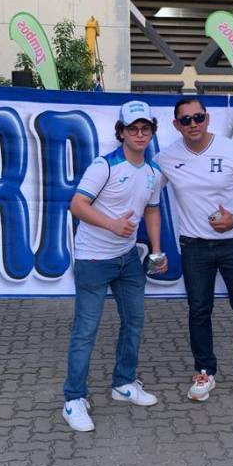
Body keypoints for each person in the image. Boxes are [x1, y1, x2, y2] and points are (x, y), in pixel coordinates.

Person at [62, 99, 167, 432]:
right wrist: (111, 224)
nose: (139, 134)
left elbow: (152, 210)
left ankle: (123, 384)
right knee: (86, 331)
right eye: (133, 129)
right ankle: (73, 399)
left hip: (128, 260)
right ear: (121, 132)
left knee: (134, 323)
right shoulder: (103, 166)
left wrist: (156, 250)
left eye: (145, 128)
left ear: (152, 132)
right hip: (93, 259)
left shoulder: (153, 174)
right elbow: (77, 205)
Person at [154, 98, 233, 404]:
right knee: (199, 310)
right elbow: (148, 194)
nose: (193, 124)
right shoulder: (166, 158)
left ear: (208, 118)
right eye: (186, 120)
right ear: (176, 125)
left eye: (198, 117)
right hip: (194, 245)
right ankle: (204, 371)